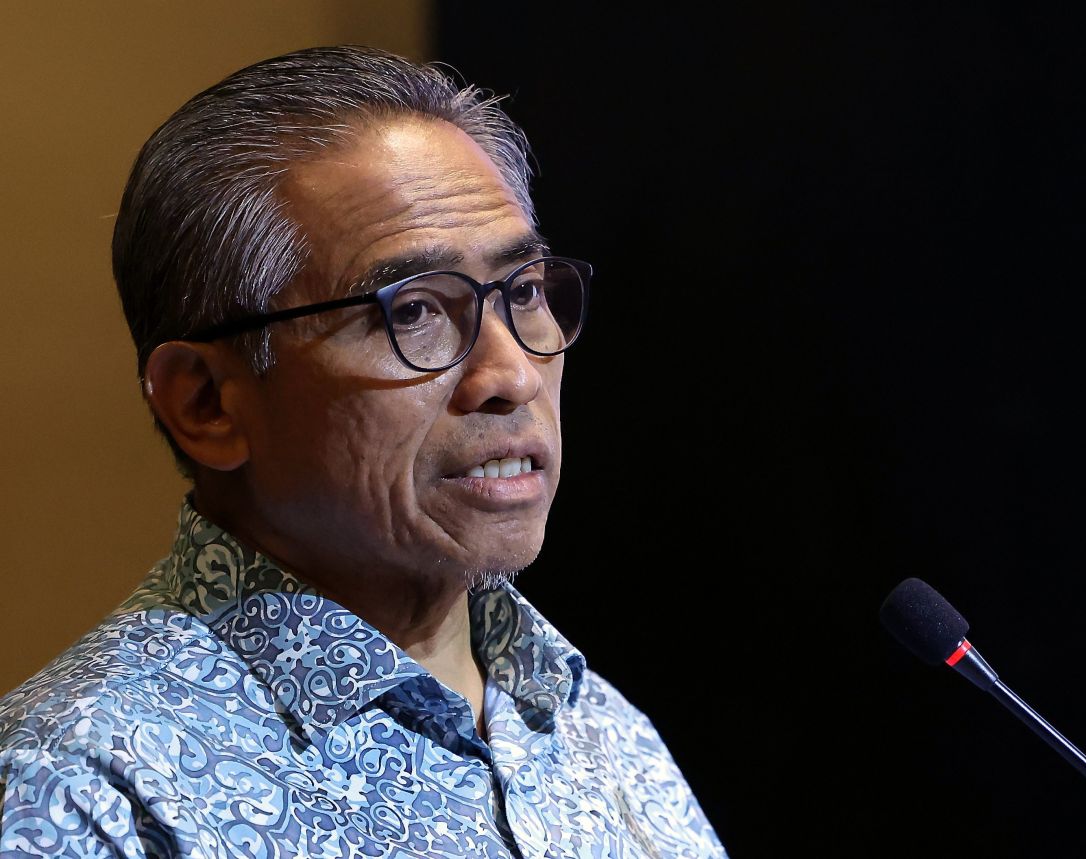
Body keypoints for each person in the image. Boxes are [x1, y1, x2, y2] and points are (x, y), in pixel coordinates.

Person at [0, 45, 726, 858]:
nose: (513, 374)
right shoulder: (80, 795)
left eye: (523, 291)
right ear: (206, 403)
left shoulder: (596, 728)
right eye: (413, 311)